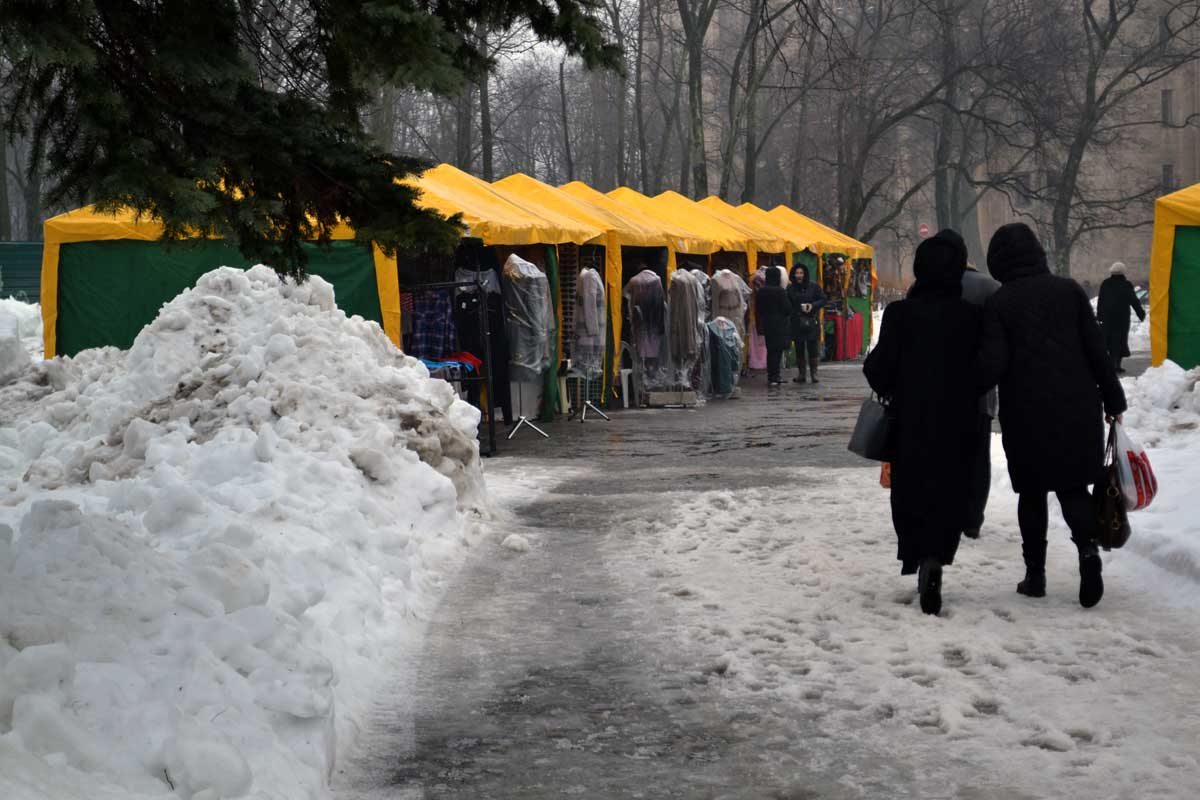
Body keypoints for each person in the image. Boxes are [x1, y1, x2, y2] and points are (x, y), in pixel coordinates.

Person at [978, 223, 1126, 608]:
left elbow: (992, 365)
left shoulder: (1001, 302)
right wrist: (1114, 400)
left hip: (1025, 412)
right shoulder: (1070, 291)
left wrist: (960, 388)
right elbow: (1097, 351)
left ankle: (1035, 576)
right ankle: (1088, 552)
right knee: (1074, 487)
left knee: (1031, 492)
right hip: (1077, 406)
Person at [864, 231, 983, 616]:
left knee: (912, 491)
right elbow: (987, 364)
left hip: (910, 420)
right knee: (950, 489)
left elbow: (878, 368)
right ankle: (938, 555)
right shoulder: (969, 317)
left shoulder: (900, 314)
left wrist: (893, 385)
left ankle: (919, 554)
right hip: (958, 419)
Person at [958, 251, 1002, 540]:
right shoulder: (991, 287)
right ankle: (973, 518)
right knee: (978, 456)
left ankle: (946, 511)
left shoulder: (927, 285)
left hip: (937, 389)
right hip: (981, 390)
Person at [1096, 262, 1146, 373]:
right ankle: (1117, 365)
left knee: (1108, 341)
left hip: (1107, 319)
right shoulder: (1126, 284)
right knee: (1119, 341)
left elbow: (1101, 301)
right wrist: (1141, 313)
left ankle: (1109, 365)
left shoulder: (1105, 283)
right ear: (1123, 272)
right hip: (1121, 319)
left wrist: (1099, 315)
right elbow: (1134, 300)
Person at [787, 263, 826, 383]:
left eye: (801, 273)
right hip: (797, 322)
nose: (799, 275)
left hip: (811, 321)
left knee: (812, 347)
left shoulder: (813, 286)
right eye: (797, 273)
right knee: (799, 348)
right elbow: (787, 304)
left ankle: (814, 374)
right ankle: (801, 374)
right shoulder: (790, 288)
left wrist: (812, 305)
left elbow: (823, 299)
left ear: (805, 274)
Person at [755, 266, 792, 386]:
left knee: (770, 350)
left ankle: (771, 376)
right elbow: (787, 309)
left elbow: (758, 309)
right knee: (778, 350)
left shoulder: (762, 291)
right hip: (780, 324)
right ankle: (775, 376)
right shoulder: (780, 291)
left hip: (767, 322)